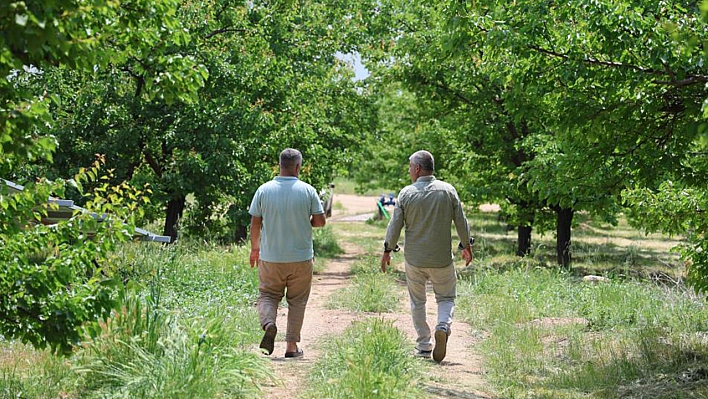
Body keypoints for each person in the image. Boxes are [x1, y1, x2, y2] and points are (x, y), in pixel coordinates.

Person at [380, 150, 473, 363]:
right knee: (446, 297)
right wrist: (466, 245)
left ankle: (423, 345)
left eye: (410, 167)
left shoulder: (406, 193)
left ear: (418, 168)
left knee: (418, 301)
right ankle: (443, 325)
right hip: (442, 259)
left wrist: (387, 250)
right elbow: (461, 220)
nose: (409, 170)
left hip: (415, 260)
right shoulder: (448, 191)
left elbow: (395, 225)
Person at [249, 148, 326, 358]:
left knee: (267, 295)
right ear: (298, 167)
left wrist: (255, 249)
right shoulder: (308, 191)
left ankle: (269, 324)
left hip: (270, 257)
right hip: (301, 257)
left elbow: (255, 223)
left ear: (279, 165)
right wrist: (305, 221)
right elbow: (320, 221)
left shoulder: (264, 190)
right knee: (297, 301)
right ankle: (291, 347)